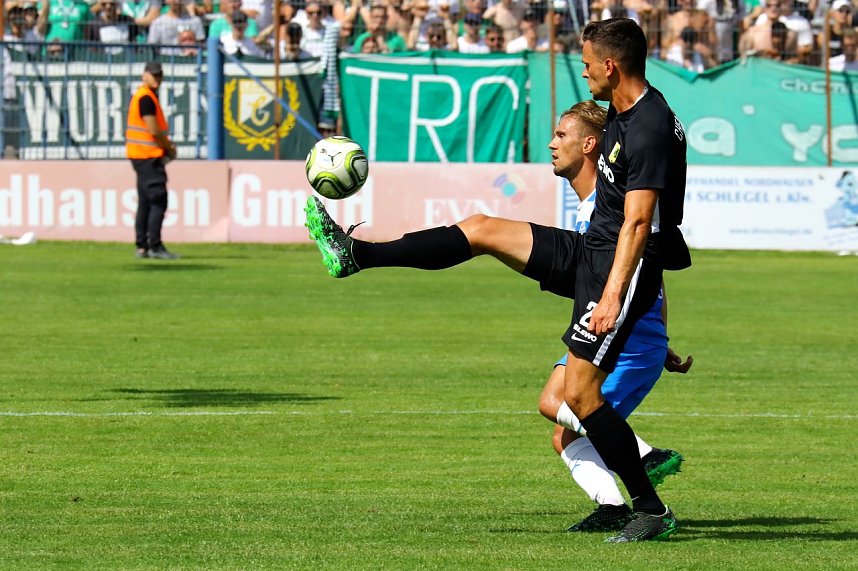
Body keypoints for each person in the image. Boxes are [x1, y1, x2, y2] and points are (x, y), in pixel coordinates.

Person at [304, 92, 691, 539]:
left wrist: (655, 334)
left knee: (563, 407)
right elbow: (643, 269)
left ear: (590, 145)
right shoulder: (594, 211)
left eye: (561, 134)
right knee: (482, 229)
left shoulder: (617, 194)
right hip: (621, 309)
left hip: (632, 337)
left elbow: (646, 253)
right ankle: (356, 254)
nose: (551, 143)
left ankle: (644, 476)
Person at [125, 61, 180, 260]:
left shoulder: (142, 96)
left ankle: (143, 245)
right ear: (144, 75)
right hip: (148, 155)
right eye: (153, 75)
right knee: (158, 200)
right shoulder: (146, 98)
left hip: (139, 154)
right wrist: (169, 147)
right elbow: (154, 129)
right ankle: (155, 245)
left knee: (146, 202)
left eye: (159, 76)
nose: (157, 79)